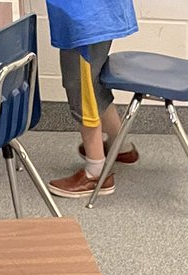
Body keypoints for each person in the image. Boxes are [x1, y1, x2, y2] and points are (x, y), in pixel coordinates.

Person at [46, 0, 140, 199]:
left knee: (82, 89)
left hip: (85, 16)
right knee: (92, 83)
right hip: (94, 13)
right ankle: (120, 146)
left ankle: (95, 174)